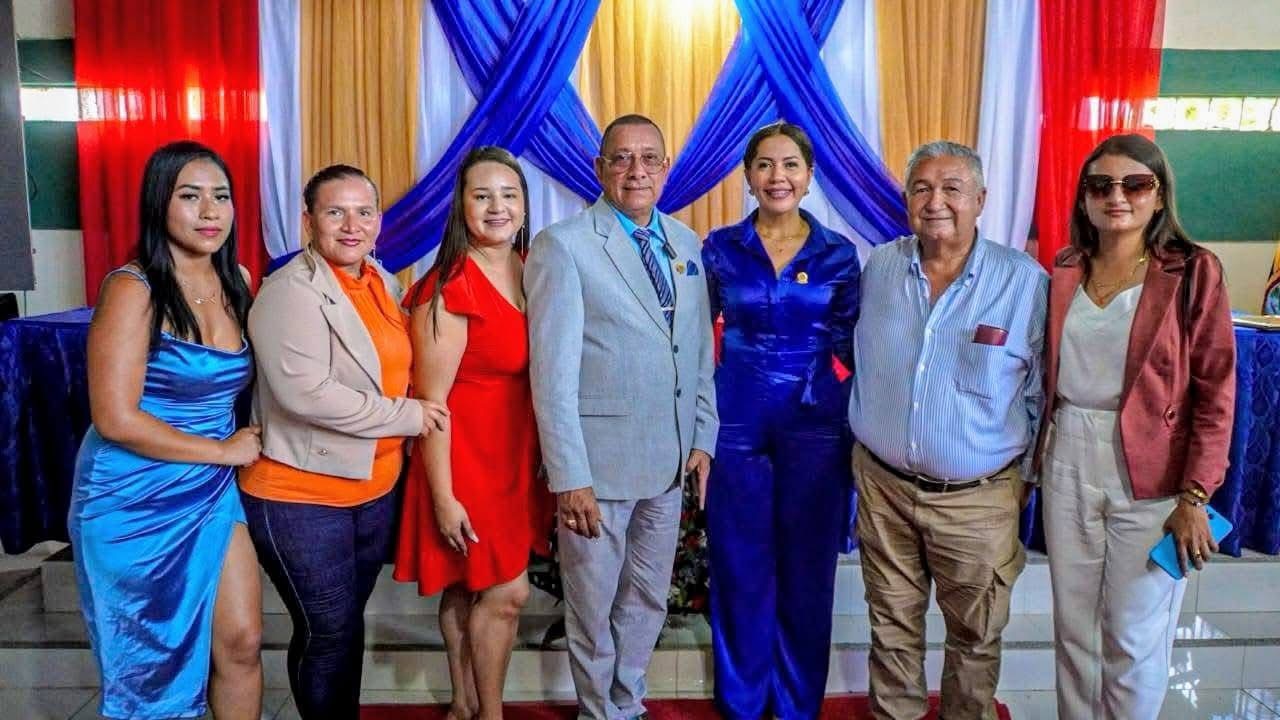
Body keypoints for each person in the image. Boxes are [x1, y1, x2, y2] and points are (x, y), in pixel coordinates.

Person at [524, 114, 719, 720]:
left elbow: (696, 350)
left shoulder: (686, 243)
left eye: (649, 158)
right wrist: (569, 475)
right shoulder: (564, 245)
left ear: (666, 168)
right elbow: (550, 375)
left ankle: (627, 702)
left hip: (669, 461)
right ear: (600, 168)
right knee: (592, 604)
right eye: (622, 158)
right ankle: (596, 710)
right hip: (598, 466)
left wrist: (703, 436)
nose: (637, 171)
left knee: (647, 597)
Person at [240, 164, 449, 719]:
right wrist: (408, 416)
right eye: (335, 212)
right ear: (308, 221)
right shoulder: (290, 291)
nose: (352, 225)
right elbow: (307, 395)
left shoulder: (379, 278)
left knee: (344, 626)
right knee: (327, 631)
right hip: (301, 496)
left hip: (372, 488)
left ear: (379, 220)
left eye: (364, 212)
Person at [847, 141, 1048, 720]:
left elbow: (1041, 392)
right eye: (922, 188)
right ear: (906, 199)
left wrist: (1021, 482)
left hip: (978, 498)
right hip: (884, 488)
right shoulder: (881, 268)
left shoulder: (1022, 282)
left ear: (980, 200)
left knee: (976, 637)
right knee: (891, 627)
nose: (935, 201)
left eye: (952, 189)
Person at [1038, 133, 1235, 720]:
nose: (1116, 196)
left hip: (1154, 468)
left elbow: (1216, 390)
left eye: (1135, 184)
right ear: (1084, 198)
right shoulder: (1067, 267)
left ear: (1159, 194)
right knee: (1074, 629)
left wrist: (1196, 495)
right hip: (1069, 450)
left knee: (1132, 633)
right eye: (1100, 185)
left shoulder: (1192, 269)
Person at [69, 140, 263, 719]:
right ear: (159, 204)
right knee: (149, 667)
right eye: (190, 196)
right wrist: (223, 451)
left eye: (221, 197)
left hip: (210, 488)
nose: (209, 212)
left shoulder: (239, 280)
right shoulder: (133, 288)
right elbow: (114, 417)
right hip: (131, 495)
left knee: (243, 641)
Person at [700, 120, 859, 720]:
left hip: (816, 424)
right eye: (765, 164)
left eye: (790, 165)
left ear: (809, 176)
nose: (778, 176)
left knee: (808, 568)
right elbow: (694, 338)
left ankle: (796, 705)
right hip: (735, 419)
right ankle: (742, 703)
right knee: (737, 563)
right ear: (748, 175)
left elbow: (851, 346)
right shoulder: (719, 248)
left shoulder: (838, 253)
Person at [393, 146, 552, 719]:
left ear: (525, 205)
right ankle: (492, 714)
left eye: (509, 195)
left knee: (467, 585)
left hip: (514, 457)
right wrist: (443, 497)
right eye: (481, 195)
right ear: (460, 206)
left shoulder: (532, 269)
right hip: (464, 463)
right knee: (508, 593)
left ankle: (463, 705)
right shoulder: (448, 288)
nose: (496, 207)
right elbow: (430, 406)